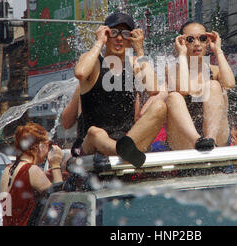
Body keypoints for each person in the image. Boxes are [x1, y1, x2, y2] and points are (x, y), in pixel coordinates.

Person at [61, 12, 167, 168]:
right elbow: (80, 72)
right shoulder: (94, 61)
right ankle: (122, 151)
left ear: (131, 39)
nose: (119, 38)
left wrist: (140, 51)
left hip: (126, 139)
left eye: (125, 34)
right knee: (95, 133)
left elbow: (153, 89)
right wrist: (99, 42)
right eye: (114, 33)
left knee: (159, 107)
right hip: (91, 144)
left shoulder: (135, 62)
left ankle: (125, 149)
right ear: (106, 34)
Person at [165, 20, 236, 151]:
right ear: (181, 42)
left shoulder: (214, 71)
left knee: (214, 86)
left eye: (202, 38)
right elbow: (184, 89)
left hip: (216, 138)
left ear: (207, 42)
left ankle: (209, 139)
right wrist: (181, 54)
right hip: (185, 141)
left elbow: (230, 84)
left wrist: (218, 50)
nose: (197, 44)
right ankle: (198, 140)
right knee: (174, 97)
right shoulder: (171, 71)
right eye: (190, 39)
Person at [0, 122, 63, 226]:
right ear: (39, 146)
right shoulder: (31, 170)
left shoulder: (8, 170)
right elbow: (59, 200)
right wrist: (56, 165)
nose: (48, 150)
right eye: (48, 145)